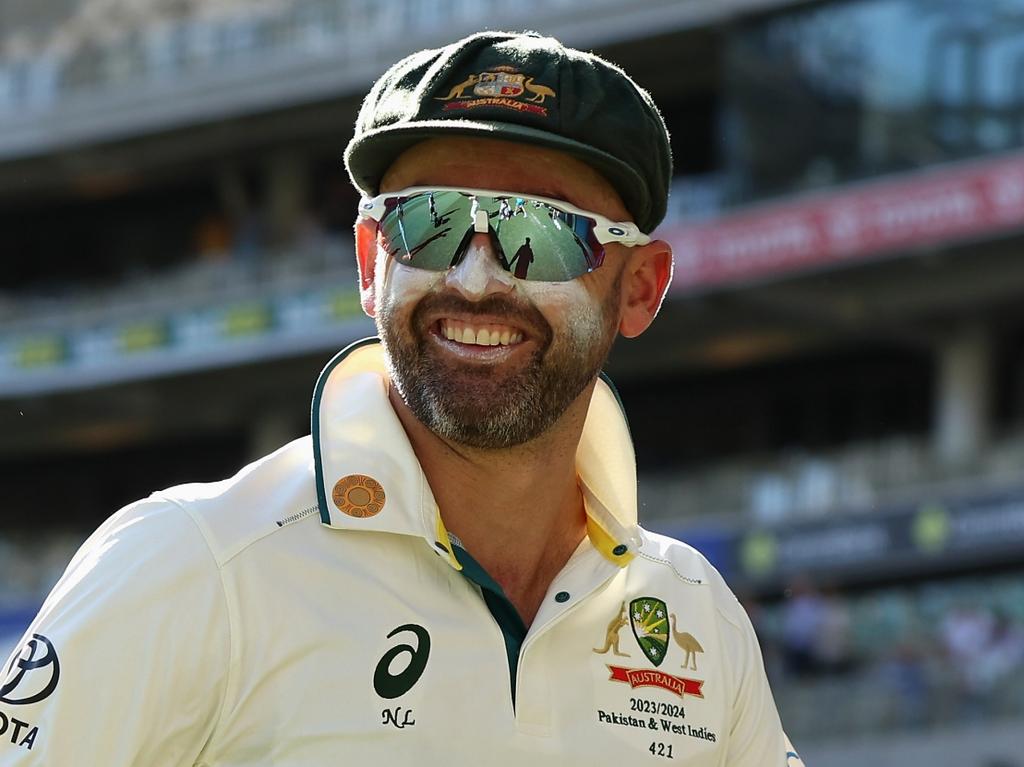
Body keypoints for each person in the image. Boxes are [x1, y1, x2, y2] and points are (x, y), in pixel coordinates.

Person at [0, 31, 802, 766]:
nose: (475, 278)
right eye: (428, 223)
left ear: (641, 288)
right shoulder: (191, 563)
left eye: (543, 231)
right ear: (367, 259)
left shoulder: (698, 616)